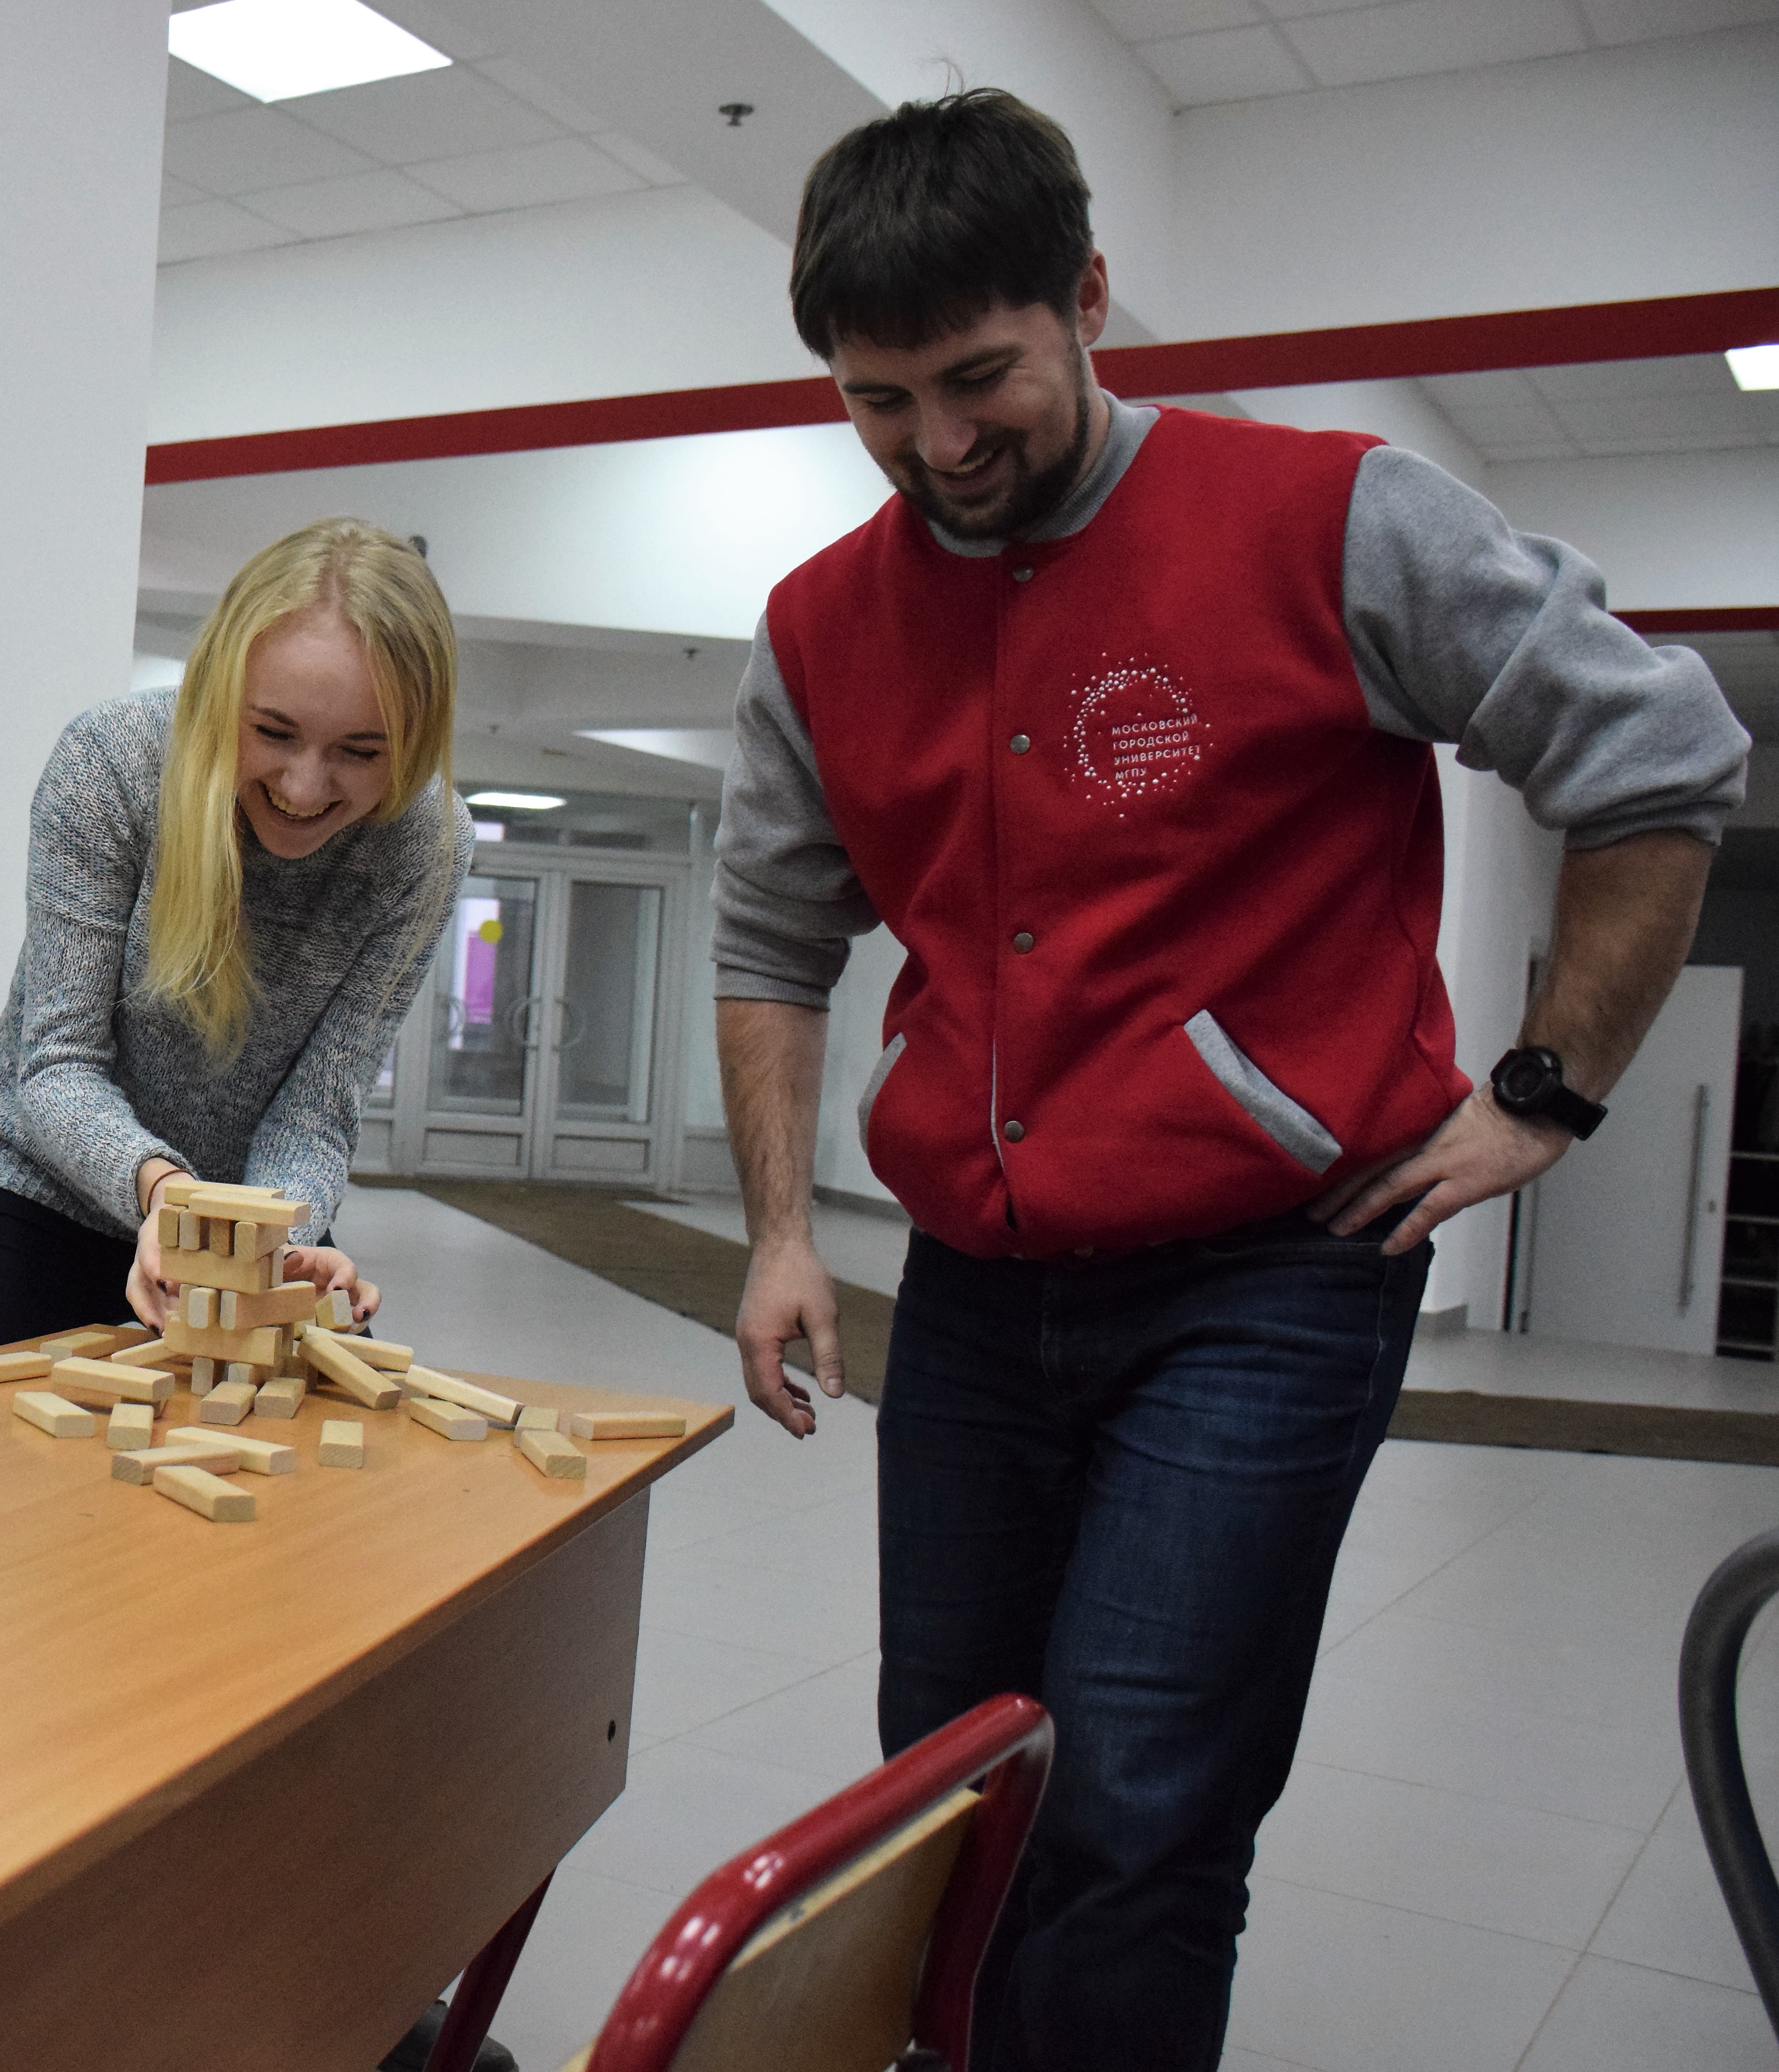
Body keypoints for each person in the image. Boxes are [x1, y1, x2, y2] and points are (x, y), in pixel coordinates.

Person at [711, 91, 1744, 2072]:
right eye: (878, 403)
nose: (940, 446)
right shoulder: (823, 626)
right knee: (948, 1779)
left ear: (1092, 300)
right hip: (979, 1289)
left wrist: (1548, 1091)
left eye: (982, 379)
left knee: (1136, 1799)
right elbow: (771, 937)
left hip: (1271, 1277)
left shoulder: (1335, 519)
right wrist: (777, 1233)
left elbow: (1661, 762)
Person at [0, 518, 474, 1367]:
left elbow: (319, 1106)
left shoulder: (427, 843)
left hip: (240, 1223)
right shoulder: (113, 764)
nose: (305, 785)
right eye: (273, 733)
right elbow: (57, 1062)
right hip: (35, 1189)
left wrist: (282, 1238)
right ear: (220, 692)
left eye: (361, 752)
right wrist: (167, 1197)